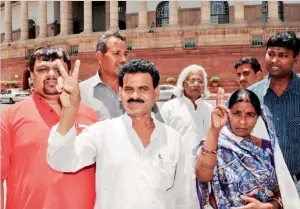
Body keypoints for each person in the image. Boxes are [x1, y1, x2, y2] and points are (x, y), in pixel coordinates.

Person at [47, 58, 191, 209]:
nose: (135, 95)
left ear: (156, 93)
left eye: (143, 88)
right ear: (121, 93)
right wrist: (69, 111)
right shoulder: (102, 133)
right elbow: (60, 159)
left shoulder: (173, 139)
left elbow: (184, 196)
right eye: (129, 89)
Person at [1, 46, 98, 209]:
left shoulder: (90, 116)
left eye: (58, 69)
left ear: (69, 73)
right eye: (43, 69)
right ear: (32, 75)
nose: (51, 74)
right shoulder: (10, 116)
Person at [195, 88, 299, 209]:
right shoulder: (214, 144)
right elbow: (203, 175)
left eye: (250, 115)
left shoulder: (268, 149)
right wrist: (214, 130)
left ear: (258, 117)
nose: (242, 122)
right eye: (236, 113)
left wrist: (269, 206)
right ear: (227, 113)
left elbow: (282, 191)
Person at [248, 31, 300, 194]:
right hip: (261, 189)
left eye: (283, 55)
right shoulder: (250, 96)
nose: (275, 60)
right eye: (271, 54)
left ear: (295, 59)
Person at [79, 29, 163, 122]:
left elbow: (158, 127)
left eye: (125, 54)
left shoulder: (139, 90)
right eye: (116, 53)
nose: (123, 59)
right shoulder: (80, 93)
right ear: (100, 57)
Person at [160, 64, 213, 209]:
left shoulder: (209, 109)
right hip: (177, 168)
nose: (196, 84)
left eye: (200, 81)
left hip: (203, 168)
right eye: (192, 80)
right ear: (183, 83)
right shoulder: (170, 107)